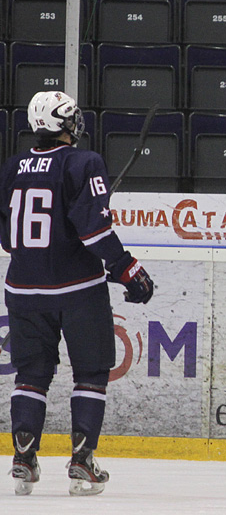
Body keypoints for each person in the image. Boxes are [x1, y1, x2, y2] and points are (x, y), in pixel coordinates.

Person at [2, 91, 154, 496]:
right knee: (90, 372)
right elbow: (95, 232)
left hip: (22, 288)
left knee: (31, 374)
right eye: (71, 119)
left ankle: (23, 459)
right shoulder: (84, 162)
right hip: (76, 291)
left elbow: (6, 238)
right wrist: (128, 269)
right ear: (64, 125)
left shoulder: (13, 167)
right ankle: (82, 463)